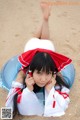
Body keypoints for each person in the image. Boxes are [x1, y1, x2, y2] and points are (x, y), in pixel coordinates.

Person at [5, 2, 75, 117]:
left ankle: (45, 19)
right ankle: (45, 19)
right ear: (32, 71)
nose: (43, 79)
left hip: (48, 49)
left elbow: (63, 101)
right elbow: (9, 103)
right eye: (39, 73)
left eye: (48, 73)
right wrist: (27, 88)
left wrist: (50, 90)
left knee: (44, 41)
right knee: (37, 39)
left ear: (52, 73)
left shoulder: (56, 74)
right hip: (31, 48)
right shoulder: (22, 73)